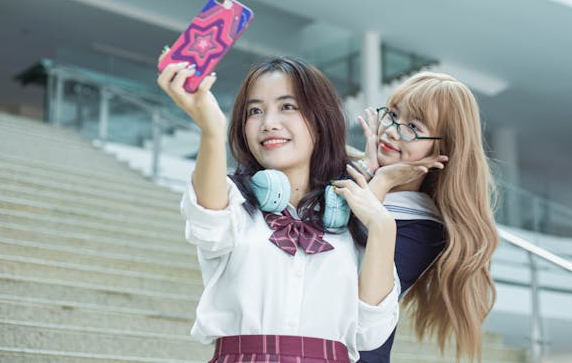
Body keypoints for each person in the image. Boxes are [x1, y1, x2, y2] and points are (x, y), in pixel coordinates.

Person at [157, 55, 408, 362]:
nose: (269, 123)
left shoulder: (353, 214)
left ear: (319, 120)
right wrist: (212, 129)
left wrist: (383, 226)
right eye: (255, 111)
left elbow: (370, 332)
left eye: (287, 106)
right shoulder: (233, 200)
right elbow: (207, 223)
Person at [354, 71, 499, 363]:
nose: (393, 130)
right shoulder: (363, 180)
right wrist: (371, 173)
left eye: (413, 126)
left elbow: (357, 282)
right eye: (392, 114)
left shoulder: (425, 230)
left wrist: (379, 182)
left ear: (441, 150)